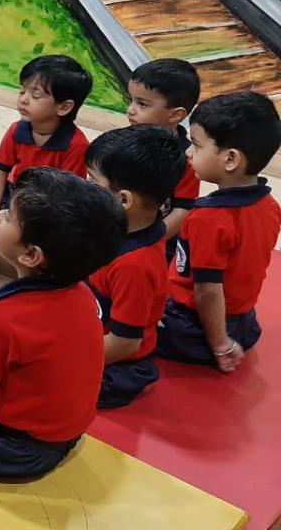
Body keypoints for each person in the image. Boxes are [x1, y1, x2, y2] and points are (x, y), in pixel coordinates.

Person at [0, 168, 124, 478]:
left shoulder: (3, 316)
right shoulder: (82, 293)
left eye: (9, 216)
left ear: (31, 254)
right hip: (66, 432)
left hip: (17, 448)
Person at [156, 91, 281, 372]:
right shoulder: (269, 204)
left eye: (197, 145)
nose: (188, 153)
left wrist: (220, 343)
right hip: (244, 322)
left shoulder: (207, 218)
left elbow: (207, 290)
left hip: (193, 325)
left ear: (230, 159)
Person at [0, 55, 92, 299]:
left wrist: (19, 222)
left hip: (47, 209)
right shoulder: (17, 130)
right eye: (22, 91)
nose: (24, 99)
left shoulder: (76, 145)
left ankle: (23, 295)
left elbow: (66, 198)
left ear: (64, 107)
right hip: (15, 194)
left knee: (25, 253)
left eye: (36, 95)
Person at [85, 126, 187, 408]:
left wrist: (66, 357)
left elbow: (125, 343)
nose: (83, 189)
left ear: (122, 200)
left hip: (116, 362)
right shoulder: (112, 227)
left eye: (92, 183)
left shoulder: (135, 266)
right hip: (89, 327)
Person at [126, 59, 202, 250]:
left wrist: (146, 242)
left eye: (142, 104)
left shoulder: (187, 159)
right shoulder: (122, 142)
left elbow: (182, 210)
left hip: (156, 246)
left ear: (175, 115)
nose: (131, 110)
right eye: (130, 100)